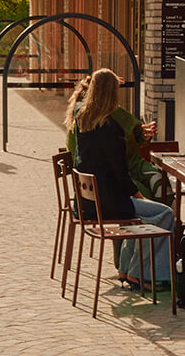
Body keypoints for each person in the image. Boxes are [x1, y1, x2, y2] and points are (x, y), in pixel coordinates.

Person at [68, 68, 175, 287]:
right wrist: (139, 196)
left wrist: (105, 79)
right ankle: (146, 274)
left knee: (142, 215)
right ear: (112, 94)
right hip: (110, 204)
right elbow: (121, 175)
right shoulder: (112, 129)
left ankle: (127, 270)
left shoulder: (82, 118)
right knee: (164, 213)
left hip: (87, 203)